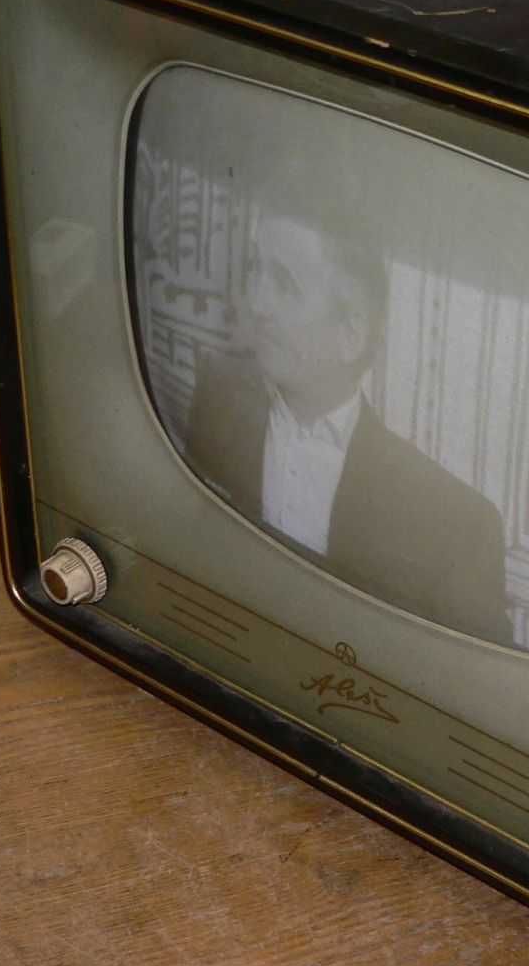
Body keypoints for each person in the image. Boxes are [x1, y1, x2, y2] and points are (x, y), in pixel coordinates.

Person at [181, 180, 510, 647]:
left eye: (284, 285)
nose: (255, 303)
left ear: (349, 337)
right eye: (257, 270)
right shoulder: (218, 397)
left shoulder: (456, 521)